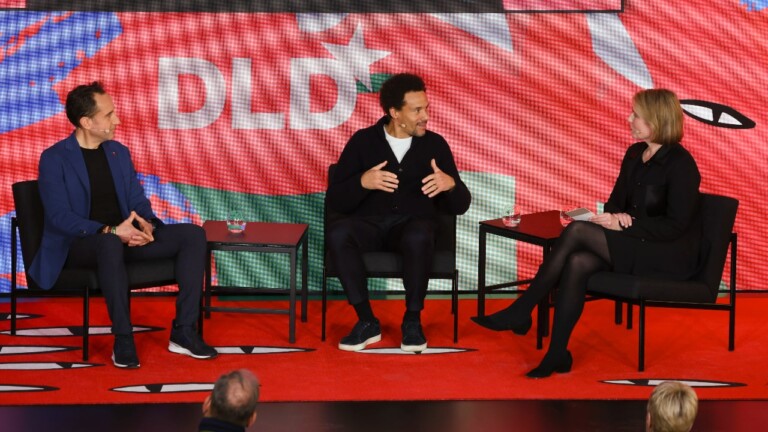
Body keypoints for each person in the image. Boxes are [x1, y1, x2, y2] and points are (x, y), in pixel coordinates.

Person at [472, 89, 702, 378]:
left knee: (579, 230)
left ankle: (523, 309)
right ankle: (557, 353)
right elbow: (615, 202)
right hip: (632, 243)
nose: (629, 119)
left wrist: (628, 224)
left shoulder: (681, 165)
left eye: (636, 115)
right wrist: (616, 216)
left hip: (662, 253)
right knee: (577, 262)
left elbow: (676, 226)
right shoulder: (634, 154)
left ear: (656, 120)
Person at [30, 82, 217, 368]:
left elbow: (137, 201)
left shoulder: (118, 152)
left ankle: (184, 331)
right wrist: (111, 231)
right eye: (108, 114)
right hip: (81, 245)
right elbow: (59, 216)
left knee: (192, 234)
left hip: (125, 239)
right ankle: (123, 337)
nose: (116, 120)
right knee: (108, 243)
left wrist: (146, 225)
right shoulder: (54, 158)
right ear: (86, 122)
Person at [326, 73, 471, 353]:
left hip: (413, 229)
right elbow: (336, 200)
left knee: (419, 234)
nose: (426, 116)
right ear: (395, 113)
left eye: (426, 108)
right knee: (339, 232)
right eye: (417, 110)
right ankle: (367, 321)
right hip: (369, 227)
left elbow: (461, 206)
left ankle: (412, 321)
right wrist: (362, 182)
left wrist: (451, 185)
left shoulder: (435, 145)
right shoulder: (362, 141)